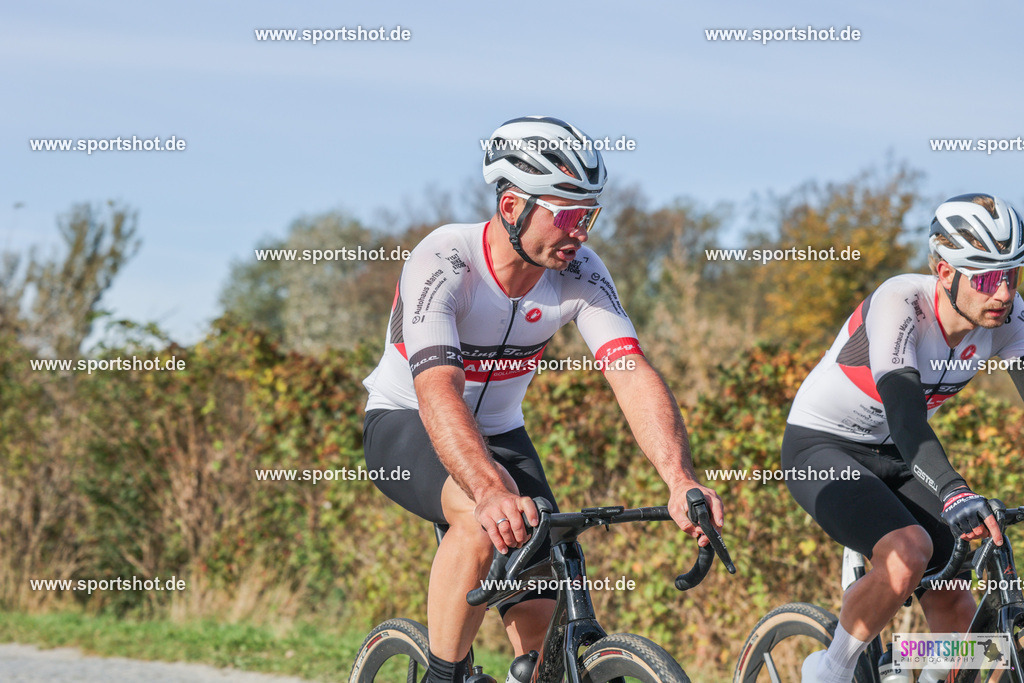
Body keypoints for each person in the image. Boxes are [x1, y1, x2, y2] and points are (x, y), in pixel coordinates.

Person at [361, 115, 724, 683]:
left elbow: (629, 371)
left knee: (545, 641)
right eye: (569, 214)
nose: (581, 232)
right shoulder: (444, 261)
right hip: (408, 422)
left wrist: (680, 479)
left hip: (502, 432)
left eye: (591, 215)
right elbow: (438, 389)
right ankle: (441, 674)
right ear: (512, 209)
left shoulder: (580, 271)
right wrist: (485, 489)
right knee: (485, 523)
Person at [785, 193, 1024, 682]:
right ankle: (827, 669)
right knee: (906, 554)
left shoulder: (1010, 319)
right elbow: (906, 416)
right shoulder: (901, 302)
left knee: (957, 601)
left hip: (896, 455)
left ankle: (908, 663)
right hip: (821, 445)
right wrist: (954, 489)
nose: (1001, 292)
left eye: (1012, 274)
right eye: (983, 277)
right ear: (943, 272)